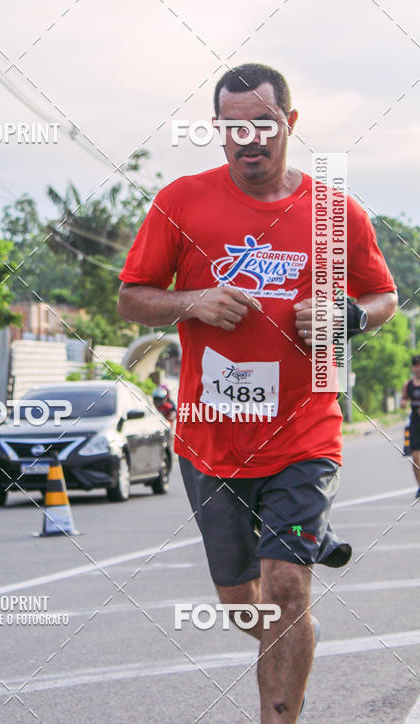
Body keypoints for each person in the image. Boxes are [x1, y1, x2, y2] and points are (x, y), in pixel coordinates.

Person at [117, 63, 397, 723]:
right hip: (210, 438)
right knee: (246, 602)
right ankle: (292, 637)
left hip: (304, 434)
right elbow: (132, 296)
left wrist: (347, 317)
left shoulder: (336, 213)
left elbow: (381, 295)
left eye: (263, 124)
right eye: (233, 125)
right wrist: (192, 300)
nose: (249, 138)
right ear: (218, 129)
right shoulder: (180, 202)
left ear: (289, 125)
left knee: (287, 588)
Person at [400, 355, 420, 498]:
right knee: (415, 456)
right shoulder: (408, 385)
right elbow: (404, 400)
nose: (418, 368)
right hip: (415, 423)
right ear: (412, 368)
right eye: (415, 365)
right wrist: (403, 403)